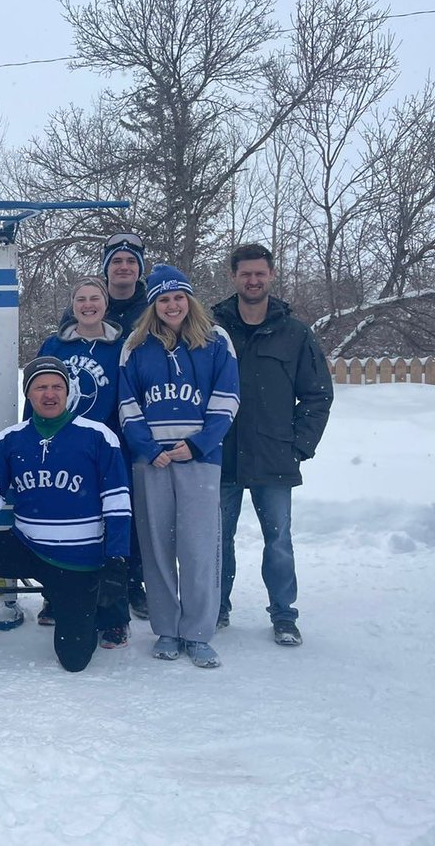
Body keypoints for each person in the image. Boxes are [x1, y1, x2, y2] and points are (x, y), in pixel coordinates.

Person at [0, 357, 131, 683]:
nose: (50, 394)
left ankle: (90, 612)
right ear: (29, 394)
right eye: (40, 387)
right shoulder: (11, 438)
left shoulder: (98, 436)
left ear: (68, 391)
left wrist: (117, 557)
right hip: (26, 546)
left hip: (78, 560)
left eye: (57, 386)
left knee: (74, 660)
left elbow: (117, 504)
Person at [118, 265, 240, 668]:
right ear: (153, 304)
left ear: (189, 299)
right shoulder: (136, 345)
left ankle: (199, 632)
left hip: (200, 460)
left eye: (178, 297)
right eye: (163, 299)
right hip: (150, 460)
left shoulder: (216, 340)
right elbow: (128, 404)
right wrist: (148, 447)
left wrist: (199, 444)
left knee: (199, 547)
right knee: (156, 547)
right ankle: (167, 628)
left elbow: (227, 399)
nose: (172, 305)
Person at [213, 244, 333, 646]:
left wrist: (298, 445)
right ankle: (216, 608)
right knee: (217, 539)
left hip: (274, 456)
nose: (252, 280)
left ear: (271, 275)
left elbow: (317, 395)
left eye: (259, 274)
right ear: (234, 277)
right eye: (245, 274)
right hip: (222, 454)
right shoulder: (213, 328)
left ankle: (284, 614)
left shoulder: (295, 333)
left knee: (278, 540)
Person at [54, 232, 151, 621]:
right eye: (116, 261)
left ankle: (130, 582)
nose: (123, 267)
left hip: (123, 434)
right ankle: (64, 584)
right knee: (73, 508)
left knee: (125, 511)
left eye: (130, 260)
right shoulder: (69, 327)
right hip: (73, 437)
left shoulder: (150, 308)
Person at [38, 277, 130, 648]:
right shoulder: (54, 344)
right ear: (72, 305)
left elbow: (129, 397)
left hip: (104, 448)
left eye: (95, 298)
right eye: (81, 299)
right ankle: (56, 598)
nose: (88, 305)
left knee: (108, 528)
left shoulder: (123, 347)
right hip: (60, 446)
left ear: (105, 305)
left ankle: (113, 614)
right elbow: (38, 390)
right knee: (57, 520)